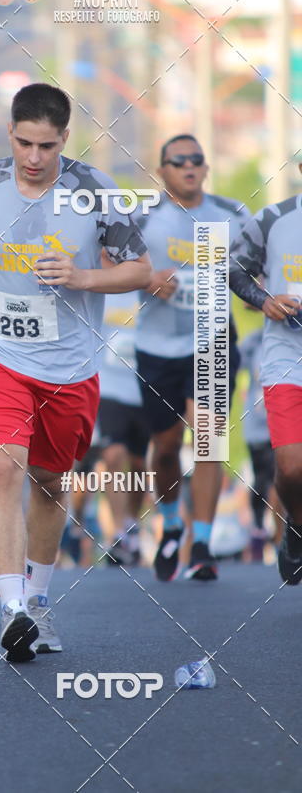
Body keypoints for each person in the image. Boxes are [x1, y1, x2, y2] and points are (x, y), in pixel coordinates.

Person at [0, 82, 151, 661]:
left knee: (51, 483)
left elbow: (141, 270)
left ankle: (37, 600)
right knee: (3, 469)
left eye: (47, 146)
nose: (33, 159)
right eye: (24, 143)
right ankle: (10, 611)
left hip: (70, 364)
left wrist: (82, 277)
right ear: (9, 133)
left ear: (65, 140)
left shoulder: (95, 192)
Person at [134, 134, 250, 582]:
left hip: (213, 340)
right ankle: (172, 522)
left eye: (196, 160)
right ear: (161, 170)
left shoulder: (233, 215)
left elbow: (252, 266)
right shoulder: (143, 217)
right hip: (159, 346)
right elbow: (110, 262)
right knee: (165, 447)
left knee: (209, 438)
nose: (188, 166)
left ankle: (201, 543)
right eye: (178, 161)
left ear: (205, 168)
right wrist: (145, 279)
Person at [229, 191, 302, 584]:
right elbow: (235, 268)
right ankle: (297, 524)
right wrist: (264, 300)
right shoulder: (274, 218)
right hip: (287, 359)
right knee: (291, 469)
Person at [96, 286, 150, 567]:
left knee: (140, 463)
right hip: (109, 387)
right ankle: (118, 531)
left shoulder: (149, 285)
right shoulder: (103, 285)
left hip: (144, 389)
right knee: (113, 455)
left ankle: (131, 521)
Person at [239, 326, 278, 561]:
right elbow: (230, 364)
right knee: (261, 479)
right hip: (256, 424)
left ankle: (282, 533)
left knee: (280, 474)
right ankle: (258, 527)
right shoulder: (254, 341)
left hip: (285, 422)